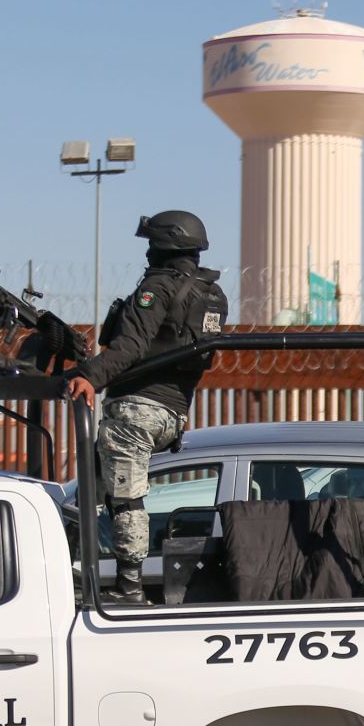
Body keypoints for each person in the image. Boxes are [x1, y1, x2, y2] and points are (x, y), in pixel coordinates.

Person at [64, 211, 228, 603]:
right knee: (98, 487)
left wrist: (90, 375)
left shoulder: (158, 287)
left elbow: (131, 345)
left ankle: (130, 587)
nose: (149, 252)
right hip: (173, 412)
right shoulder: (212, 294)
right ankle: (75, 565)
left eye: (152, 244)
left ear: (163, 246)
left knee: (126, 497)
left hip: (137, 408)